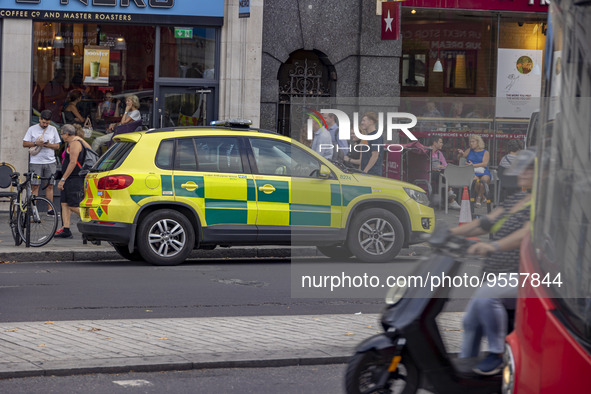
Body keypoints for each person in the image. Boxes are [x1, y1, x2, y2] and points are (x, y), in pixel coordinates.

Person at [450, 148, 536, 375]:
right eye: (524, 169)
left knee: (487, 296)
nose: (524, 173)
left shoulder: (543, 203)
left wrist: (492, 246)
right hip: (497, 274)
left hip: (523, 275)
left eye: (530, 169)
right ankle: (465, 373)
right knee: (470, 320)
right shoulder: (516, 199)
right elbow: (484, 223)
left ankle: (497, 353)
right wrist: (449, 234)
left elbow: (526, 233)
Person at [55, 124, 93, 239]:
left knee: (73, 205)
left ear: (67, 134)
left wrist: (63, 179)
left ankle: (92, 222)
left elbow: (72, 162)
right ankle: (66, 229)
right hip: (69, 178)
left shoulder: (75, 144)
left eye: (62, 133)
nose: (61, 136)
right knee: (64, 203)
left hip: (74, 178)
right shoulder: (71, 143)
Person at [22, 109, 61, 215]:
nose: (45, 125)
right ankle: (34, 210)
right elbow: (25, 144)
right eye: (43, 122)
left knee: (50, 185)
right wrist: (36, 143)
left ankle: (50, 209)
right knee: (35, 185)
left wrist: (46, 145)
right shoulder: (32, 129)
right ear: (39, 119)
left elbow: (57, 146)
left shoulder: (53, 129)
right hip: (36, 162)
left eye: (47, 123)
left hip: (50, 161)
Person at [457, 134, 491, 208]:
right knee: (475, 181)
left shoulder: (485, 152)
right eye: (470, 142)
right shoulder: (469, 150)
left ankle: (478, 198)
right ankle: (482, 197)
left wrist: (472, 165)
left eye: (473, 142)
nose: (471, 143)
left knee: (484, 180)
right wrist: (460, 154)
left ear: (478, 142)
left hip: (482, 171)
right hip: (471, 171)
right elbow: (460, 158)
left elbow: (484, 164)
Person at [430, 136, 460, 209]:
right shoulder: (427, 151)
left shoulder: (439, 153)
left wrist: (440, 166)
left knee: (446, 173)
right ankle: (451, 198)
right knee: (442, 175)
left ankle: (450, 196)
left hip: (439, 173)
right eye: (440, 142)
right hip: (429, 173)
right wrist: (434, 167)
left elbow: (445, 165)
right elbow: (424, 164)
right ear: (434, 143)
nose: (442, 144)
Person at [359, 112, 384, 176]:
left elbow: (375, 155)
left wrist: (365, 171)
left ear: (371, 122)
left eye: (364, 120)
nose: (362, 123)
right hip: (365, 172)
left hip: (372, 173)